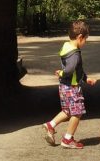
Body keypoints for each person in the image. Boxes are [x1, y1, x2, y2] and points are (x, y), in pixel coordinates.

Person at [41, 19, 96, 149]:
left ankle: (51, 125)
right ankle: (67, 139)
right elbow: (71, 69)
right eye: (85, 39)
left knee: (67, 111)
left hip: (64, 86)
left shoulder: (66, 46)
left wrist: (85, 78)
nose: (85, 42)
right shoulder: (75, 53)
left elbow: (77, 70)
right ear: (80, 37)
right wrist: (62, 73)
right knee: (77, 113)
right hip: (72, 87)